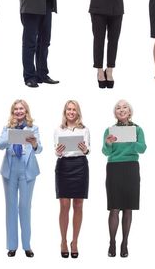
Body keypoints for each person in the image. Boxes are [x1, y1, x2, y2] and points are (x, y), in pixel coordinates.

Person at [0, 99, 42, 257]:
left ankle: (27, 245)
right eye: (16, 109)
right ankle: (12, 245)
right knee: (11, 207)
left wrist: (35, 143)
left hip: (27, 169)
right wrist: (11, 136)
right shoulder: (7, 127)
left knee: (24, 207)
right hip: (10, 169)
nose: (18, 111)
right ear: (12, 111)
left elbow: (39, 149)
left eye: (21, 108)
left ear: (26, 111)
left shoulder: (33, 128)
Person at [103, 100, 146, 257]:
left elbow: (143, 149)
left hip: (131, 168)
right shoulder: (110, 130)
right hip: (114, 168)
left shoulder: (138, 129)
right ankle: (112, 242)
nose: (121, 110)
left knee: (128, 207)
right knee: (114, 207)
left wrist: (132, 141)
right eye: (118, 108)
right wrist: (108, 143)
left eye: (124, 107)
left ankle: (125, 243)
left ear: (130, 112)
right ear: (115, 113)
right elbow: (105, 152)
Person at [53, 100, 90, 258]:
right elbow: (56, 150)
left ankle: (74, 242)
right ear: (65, 112)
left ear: (78, 112)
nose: (71, 112)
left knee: (79, 205)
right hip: (64, 166)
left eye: (74, 109)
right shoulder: (58, 129)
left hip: (80, 166)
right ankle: (63, 241)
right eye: (69, 109)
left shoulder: (85, 129)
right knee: (64, 205)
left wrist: (85, 149)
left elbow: (88, 149)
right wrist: (58, 151)